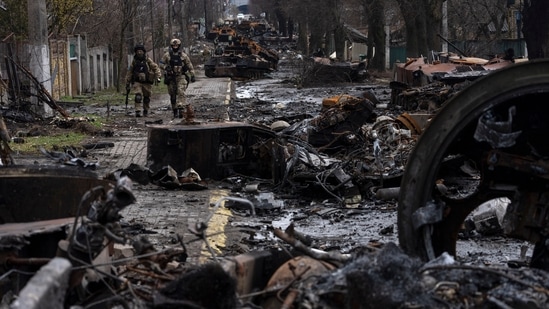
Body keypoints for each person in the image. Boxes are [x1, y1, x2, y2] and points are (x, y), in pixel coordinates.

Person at [160, 38, 196, 119]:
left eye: (177, 45)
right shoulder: (167, 55)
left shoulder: (183, 55)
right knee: (173, 95)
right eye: (174, 45)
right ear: (171, 46)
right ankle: (175, 110)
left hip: (181, 76)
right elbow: (161, 64)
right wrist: (166, 67)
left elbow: (189, 65)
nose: (175, 47)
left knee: (181, 92)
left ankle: (181, 108)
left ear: (179, 46)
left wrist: (192, 75)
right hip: (171, 77)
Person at [125, 44, 162, 117]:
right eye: (138, 51)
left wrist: (158, 77)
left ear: (143, 52)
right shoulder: (134, 61)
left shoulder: (147, 60)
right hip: (137, 81)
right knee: (138, 96)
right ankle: (138, 111)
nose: (139, 53)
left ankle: (146, 110)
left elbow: (155, 68)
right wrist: (127, 82)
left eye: (141, 51)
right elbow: (129, 72)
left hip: (147, 82)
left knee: (146, 97)